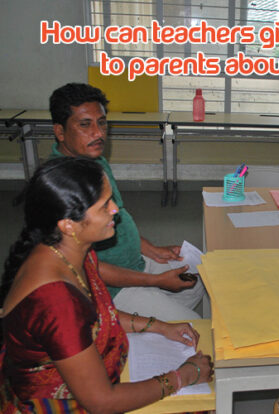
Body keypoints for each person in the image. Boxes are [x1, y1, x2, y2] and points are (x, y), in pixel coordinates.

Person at [0, 157, 213, 413]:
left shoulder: (70, 250)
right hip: (58, 403)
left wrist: (159, 326)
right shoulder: (56, 301)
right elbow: (101, 402)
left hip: (91, 372)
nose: (115, 209)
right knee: (200, 402)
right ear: (68, 224)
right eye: (104, 206)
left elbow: (99, 315)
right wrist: (182, 377)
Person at [49, 82, 204, 321]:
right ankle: (137, 323)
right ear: (60, 132)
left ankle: (155, 320)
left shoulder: (95, 161)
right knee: (194, 329)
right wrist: (156, 281)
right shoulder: (61, 188)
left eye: (101, 122)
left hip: (136, 263)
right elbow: (90, 268)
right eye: (85, 125)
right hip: (112, 287)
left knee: (199, 275)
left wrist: (153, 250)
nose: (98, 133)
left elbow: (119, 216)